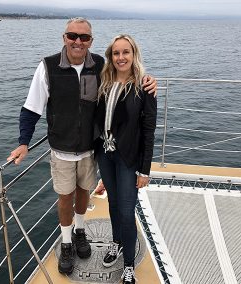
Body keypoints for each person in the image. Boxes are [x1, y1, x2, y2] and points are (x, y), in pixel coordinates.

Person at [7, 18, 157, 275]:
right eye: (72, 36)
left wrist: (148, 80)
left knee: (85, 194)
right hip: (63, 150)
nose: (78, 41)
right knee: (66, 197)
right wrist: (24, 142)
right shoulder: (48, 67)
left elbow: (134, 104)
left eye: (84, 38)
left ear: (91, 42)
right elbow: (31, 109)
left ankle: (81, 233)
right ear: (64, 37)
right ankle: (67, 243)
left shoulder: (98, 65)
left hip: (92, 150)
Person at [94, 34, 157, 284]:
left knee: (126, 210)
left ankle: (128, 264)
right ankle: (116, 243)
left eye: (125, 52)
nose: (121, 57)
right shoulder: (104, 82)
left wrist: (145, 170)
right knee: (113, 204)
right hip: (105, 154)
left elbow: (149, 130)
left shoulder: (144, 87)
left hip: (128, 158)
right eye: (116, 53)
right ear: (111, 56)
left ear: (133, 54)